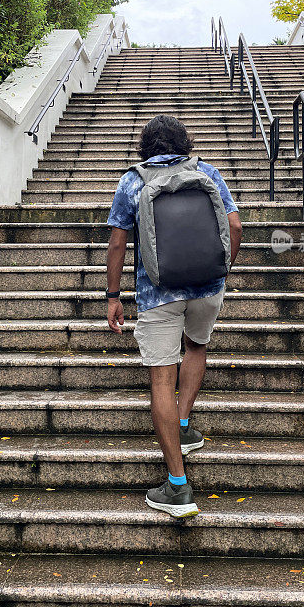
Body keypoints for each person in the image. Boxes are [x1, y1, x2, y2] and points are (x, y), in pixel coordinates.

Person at [105, 114, 242, 517]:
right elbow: (234, 227)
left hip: (157, 293)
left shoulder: (133, 181)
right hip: (207, 288)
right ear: (184, 141)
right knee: (196, 346)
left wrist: (114, 296)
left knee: (161, 379)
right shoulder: (207, 172)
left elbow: (116, 246)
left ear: (146, 146)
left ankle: (178, 487)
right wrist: (222, 270)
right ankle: (183, 426)